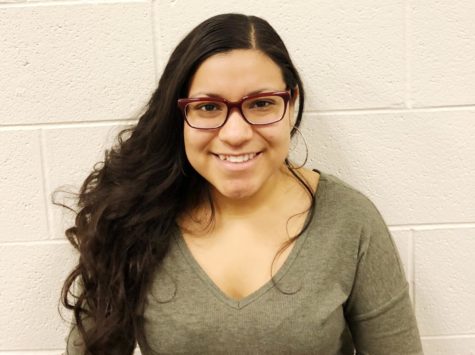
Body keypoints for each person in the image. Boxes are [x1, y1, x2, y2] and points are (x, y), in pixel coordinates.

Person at [61, 13, 423, 355]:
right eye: (208, 107)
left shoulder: (350, 222)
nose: (235, 133)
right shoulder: (132, 218)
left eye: (262, 103)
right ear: (180, 113)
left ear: (291, 103)